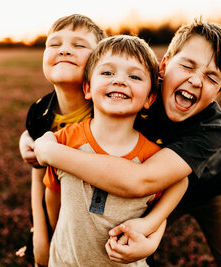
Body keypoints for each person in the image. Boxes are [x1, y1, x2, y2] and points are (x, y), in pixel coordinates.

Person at [32, 18, 221, 266]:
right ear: (164, 66)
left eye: (212, 78)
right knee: (109, 238)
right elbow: (66, 107)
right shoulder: (135, 86)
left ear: (219, 92)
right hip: (152, 189)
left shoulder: (211, 127)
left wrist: (151, 231)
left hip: (211, 188)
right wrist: (30, 137)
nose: (195, 81)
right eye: (187, 66)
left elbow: (145, 181)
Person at [34, 35, 188, 266]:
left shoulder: (153, 158)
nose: (119, 81)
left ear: (149, 98)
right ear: (87, 88)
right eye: (107, 73)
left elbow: (163, 206)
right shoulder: (63, 140)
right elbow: (53, 196)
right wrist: (58, 236)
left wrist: (151, 239)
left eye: (134, 76)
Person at [16, 14, 106, 266]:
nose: (64, 49)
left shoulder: (108, 110)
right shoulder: (40, 110)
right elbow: (38, 177)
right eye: (54, 44)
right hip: (53, 218)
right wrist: (40, 236)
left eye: (79, 45)